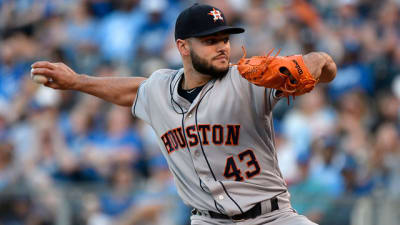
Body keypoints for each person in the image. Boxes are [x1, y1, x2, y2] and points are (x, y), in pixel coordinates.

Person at [31, 3, 336, 225]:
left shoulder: (248, 79)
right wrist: (76, 81)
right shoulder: (160, 89)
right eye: (210, 41)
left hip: (272, 217)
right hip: (208, 221)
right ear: (183, 47)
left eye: (224, 40)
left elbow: (323, 64)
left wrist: (308, 66)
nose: (222, 48)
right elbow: (131, 90)